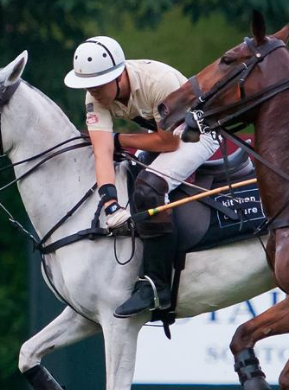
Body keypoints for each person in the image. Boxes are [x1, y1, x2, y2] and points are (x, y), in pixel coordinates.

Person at [64, 36, 220, 317]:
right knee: (127, 182)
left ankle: (157, 286)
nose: (94, 93)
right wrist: (110, 203)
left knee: (148, 190)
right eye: (89, 87)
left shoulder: (155, 81)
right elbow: (102, 151)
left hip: (198, 134)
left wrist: (119, 139)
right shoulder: (95, 96)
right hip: (160, 132)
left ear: (118, 76)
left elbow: (168, 142)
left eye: (99, 86)